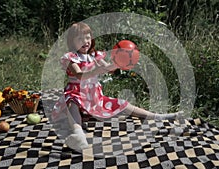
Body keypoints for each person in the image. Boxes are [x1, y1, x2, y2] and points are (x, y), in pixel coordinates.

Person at [52, 22, 181, 151]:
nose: (85, 41)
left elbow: (108, 68)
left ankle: (157, 116)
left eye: (87, 37)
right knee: (72, 104)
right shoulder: (71, 58)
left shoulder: (94, 56)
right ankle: (78, 135)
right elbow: (79, 75)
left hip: (94, 96)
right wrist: (96, 71)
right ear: (72, 42)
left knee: (123, 104)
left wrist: (120, 61)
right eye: (80, 39)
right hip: (76, 92)